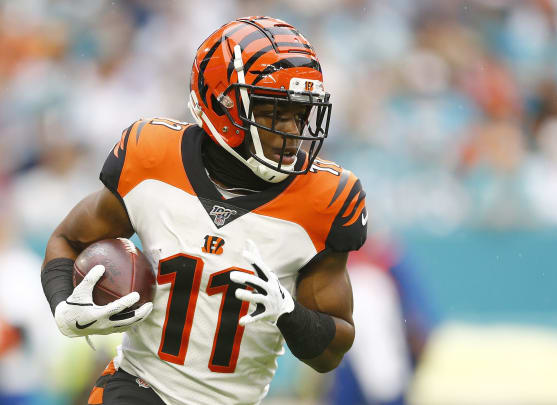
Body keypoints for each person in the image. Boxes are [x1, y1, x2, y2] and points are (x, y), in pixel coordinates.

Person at [41, 16, 368, 405]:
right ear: (220, 103)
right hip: (141, 387)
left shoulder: (324, 199)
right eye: (272, 113)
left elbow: (331, 353)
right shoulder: (152, 158)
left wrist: (289, 312)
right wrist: (63, 304)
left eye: (299, 114)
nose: (292, 131)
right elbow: (68, 238)